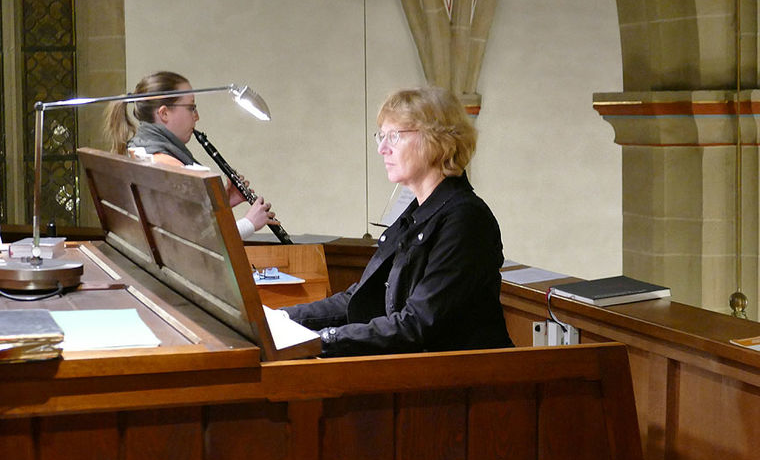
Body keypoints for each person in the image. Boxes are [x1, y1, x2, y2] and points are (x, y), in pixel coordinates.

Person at [282, 86, 512, 357]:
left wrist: (319, 341)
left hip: (462, 384)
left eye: (394, 136)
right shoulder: (415, 215)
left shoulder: (465, 220)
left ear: (436, 140)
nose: (382, 148)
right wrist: (281, 319)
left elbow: (417, 325)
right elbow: (360, 300)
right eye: (381, 136)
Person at [104, 70, 276, 239]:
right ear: (164, 113)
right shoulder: (165, 165)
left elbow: (186, 222)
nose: (197, 116)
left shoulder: (140, 148)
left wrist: (223, 203)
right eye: (191, 108)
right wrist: (249, 223)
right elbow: (198, 240)